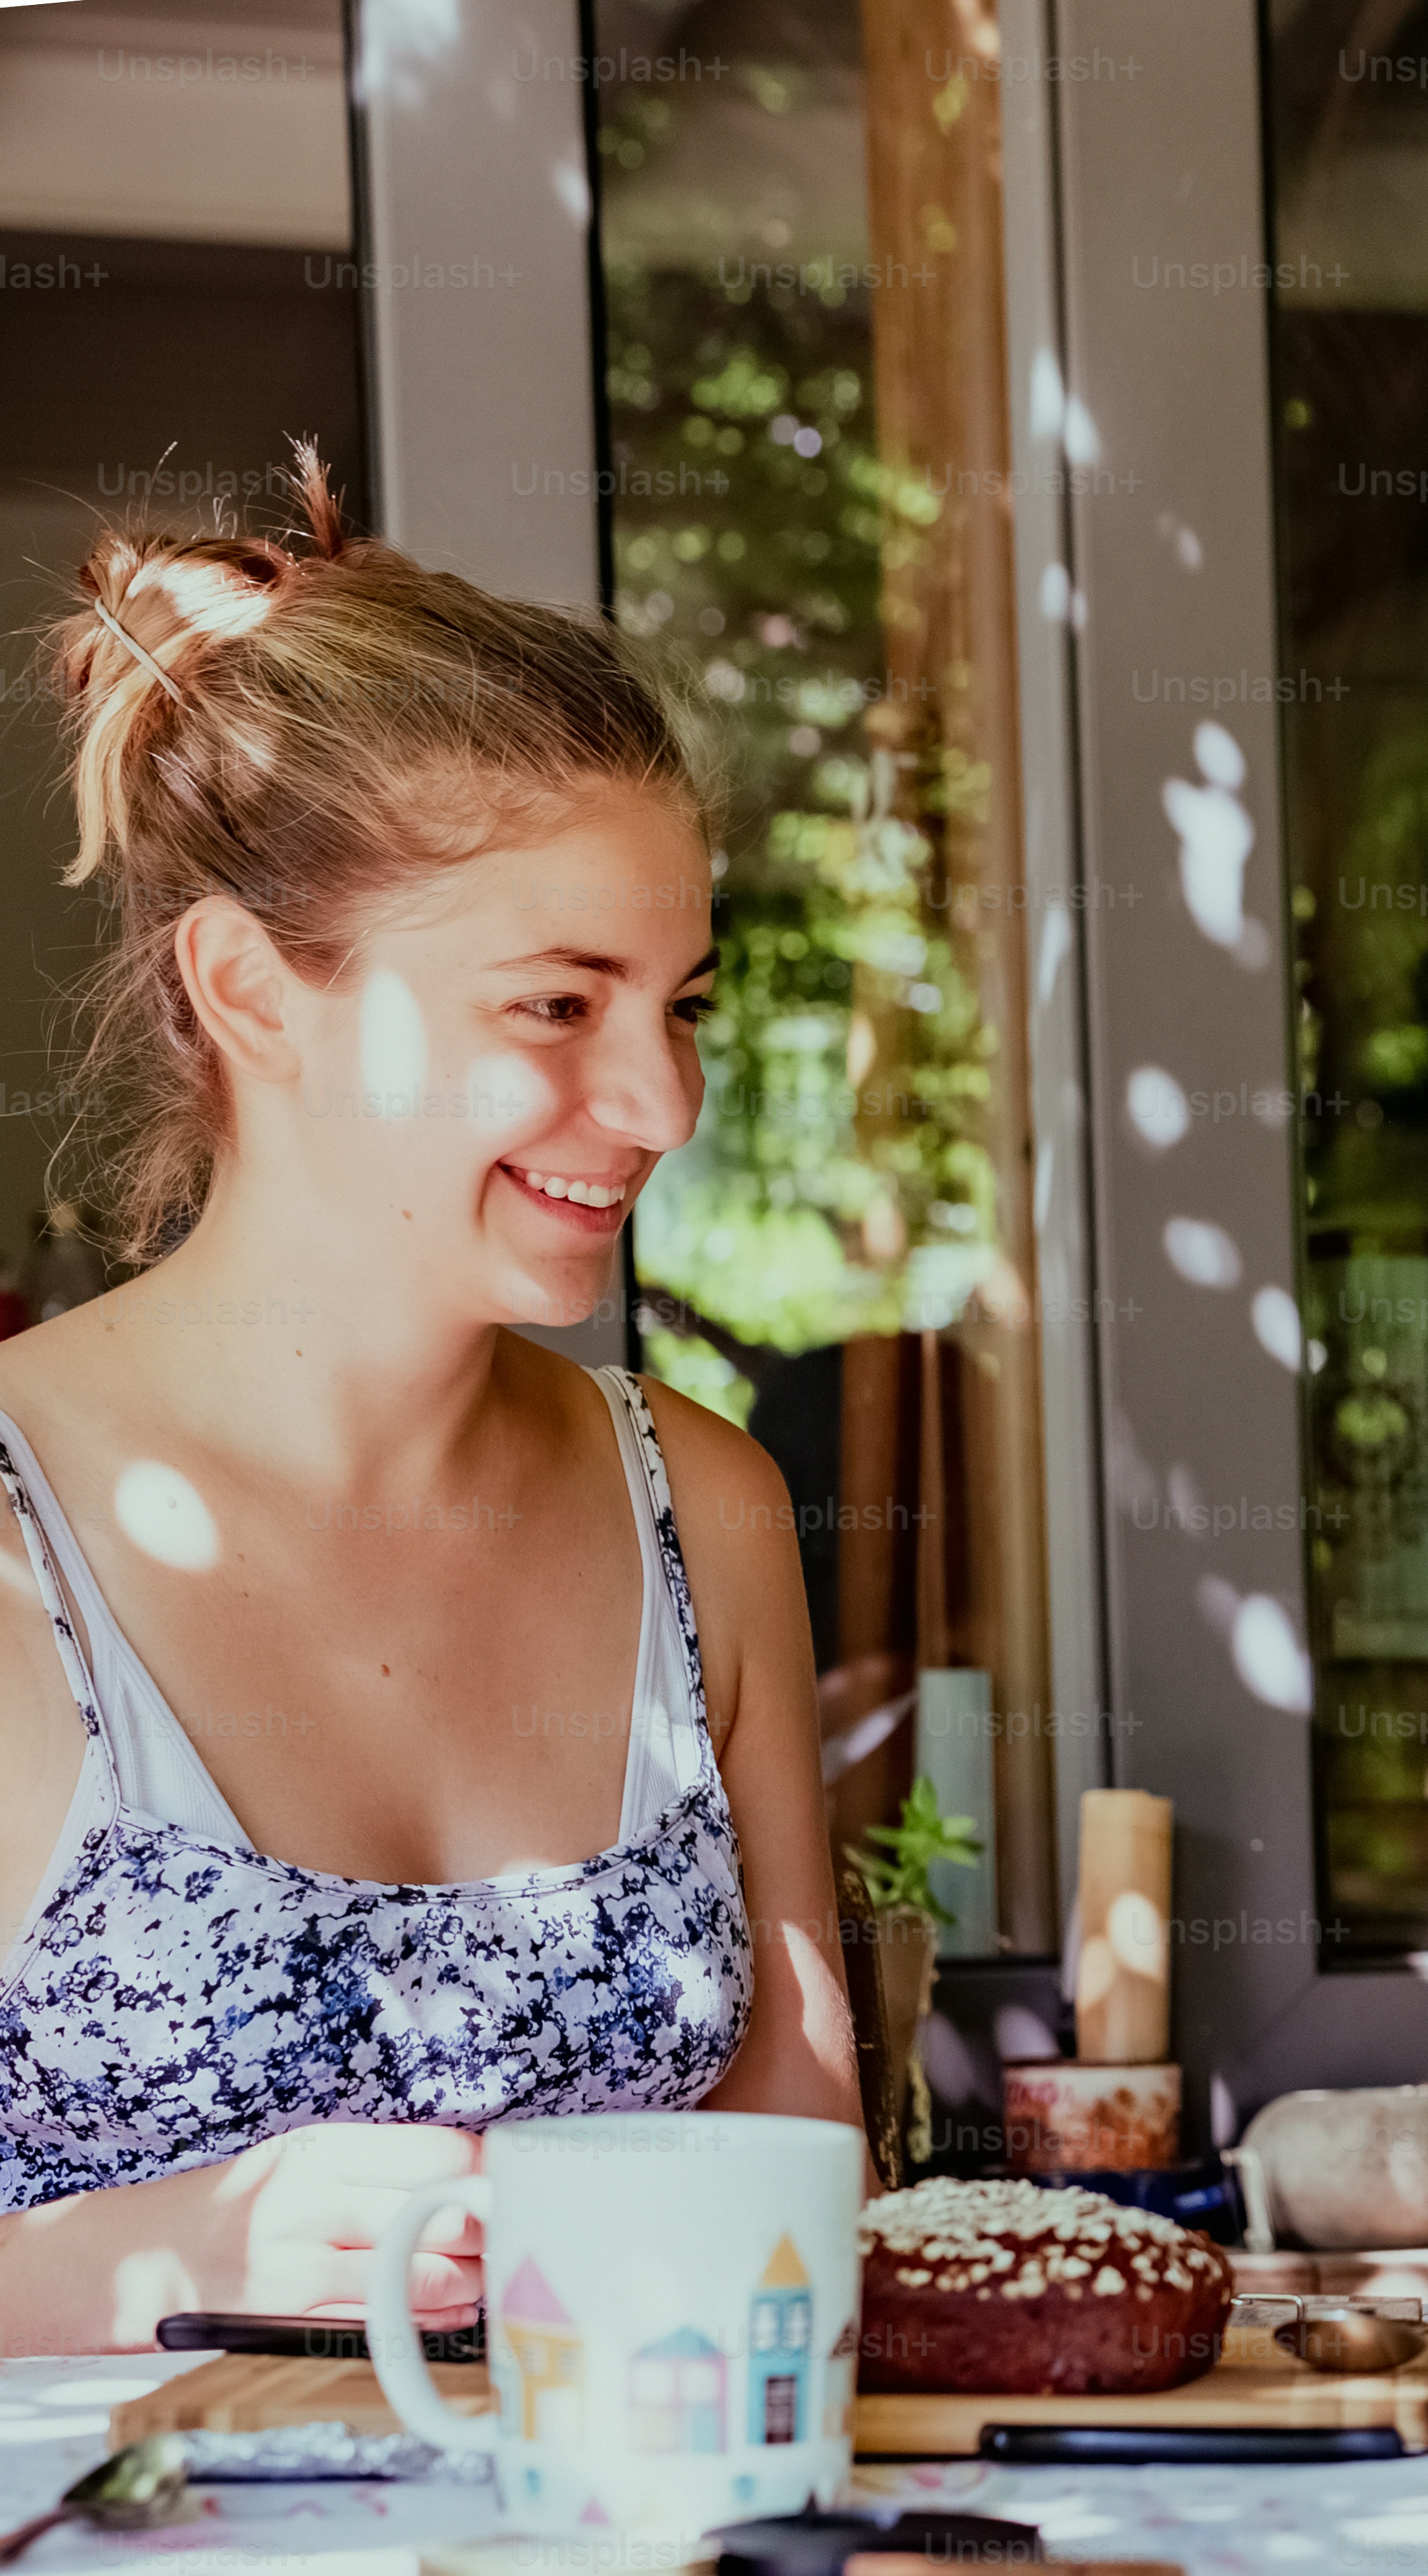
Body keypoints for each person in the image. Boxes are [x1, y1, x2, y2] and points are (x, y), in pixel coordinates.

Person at [0, 450, 859, 2349]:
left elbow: (801, 2167)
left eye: (682, 1003)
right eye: (558, 1005)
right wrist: (162, 2259)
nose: (660, 1102)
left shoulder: (694, 1503)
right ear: (250, 990)